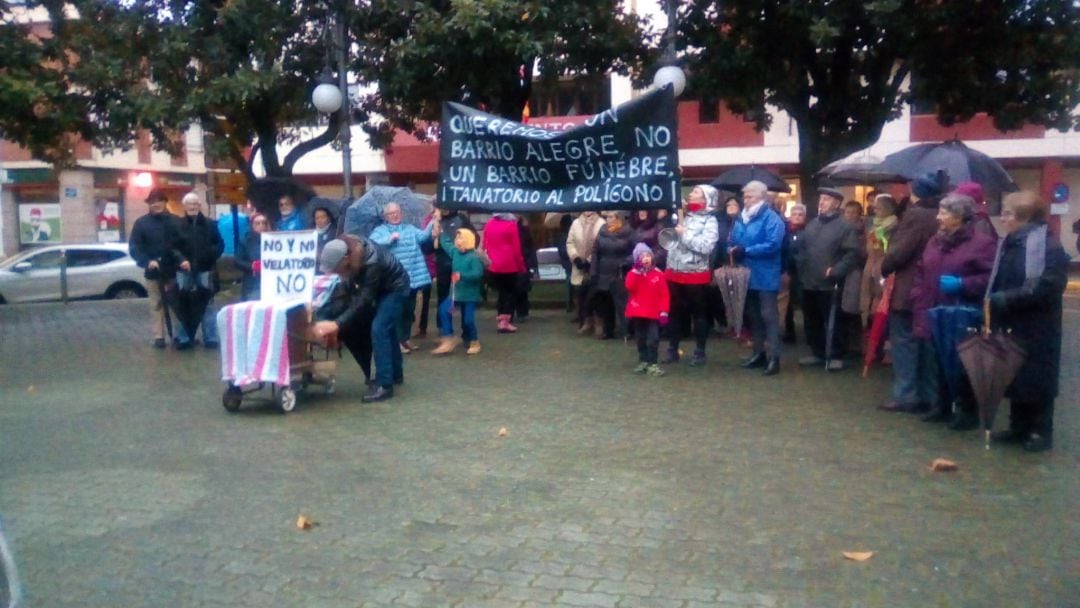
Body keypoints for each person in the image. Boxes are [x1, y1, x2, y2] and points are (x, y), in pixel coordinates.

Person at [987, 191, 1069, 452]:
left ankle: (1040, 431)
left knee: (1036, 377)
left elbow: (1048, 286)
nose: (1003, 218)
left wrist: (1006, 299)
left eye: (1008, 213)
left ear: (1024, 218)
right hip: (1011, 320)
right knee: (1014, 374)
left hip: (1037, 325)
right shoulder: (1010, 242)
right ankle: (1018, 426)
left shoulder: (1048, 246)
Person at [910, 194, 997, 430]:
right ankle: (943, 406)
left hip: (963, 312)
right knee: (938, 359)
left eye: (943, 213)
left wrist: (963, 284)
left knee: (963, 363)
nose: (938, 217)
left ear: (958, 217)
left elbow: (990, 278)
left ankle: (967, 411)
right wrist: (917, 294)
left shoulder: (982, 243)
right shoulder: (934, 241)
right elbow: (921, 269)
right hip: (934, 308)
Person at [878, 173, 948, 414]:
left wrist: (884, 266)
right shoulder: (940, 213)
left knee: (905, 343)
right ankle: (929, 395)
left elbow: (899, 252)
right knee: (926, 344)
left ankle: (906, 395)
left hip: (909, 288)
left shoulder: (916, 215)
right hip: (932, 287)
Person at [312, 235, 411, 403]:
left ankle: (384, 385)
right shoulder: (351, 253)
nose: (334, 272)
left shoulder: (372, 263)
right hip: (382, 287)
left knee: (379, 329)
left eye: (336, 268)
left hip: (395, 288)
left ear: (345, 259)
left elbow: (363, 300)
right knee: (387, 328)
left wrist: (337, 323)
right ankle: (395, 374)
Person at [794, 188, 860, 371]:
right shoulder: (812, 224)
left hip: (830, 283)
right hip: (808, 280)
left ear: (837, 204)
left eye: (827, 199)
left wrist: (837, 270)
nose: (821, 202)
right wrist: (801, 264)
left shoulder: (845, 227)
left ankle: (836, 355)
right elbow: (802, 248)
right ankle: (818, 352)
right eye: (821, 198)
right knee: (811, 319)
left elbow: (852, 253)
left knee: (834, 320)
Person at [729, 180, 785, 376]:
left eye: (750, 196)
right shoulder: (741, 219)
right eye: (745, 196)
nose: (746, 200)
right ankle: (759, 353)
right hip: (746, 274)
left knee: (769, 316)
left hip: (765, 274)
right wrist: (733, 250)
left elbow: (773, 245)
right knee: (753, 316)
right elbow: (732, 240)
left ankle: (774, 357)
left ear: (761, 197)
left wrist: (747, 251)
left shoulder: (772, 218)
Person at [663, 185, 719, 366]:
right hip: (674, 271)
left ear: (705, 200)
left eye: (696, 192)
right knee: (674, 313)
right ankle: (672, 349)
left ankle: (700, 351)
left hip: (695, 274)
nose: (691, 194)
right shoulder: (683, 216)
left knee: (699, 314)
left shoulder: (710, 221)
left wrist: (684, 235)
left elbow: (707, 247)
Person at [370, 202, 434, 353]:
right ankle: (397, 341)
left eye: (397, 212)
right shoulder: (380, 230)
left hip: (413, 277)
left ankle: (405, 339)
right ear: (385, 216)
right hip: (395, 280)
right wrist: (389, 238)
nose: (395, 215)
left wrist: (432, 223)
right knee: (397, 311)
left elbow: (423, 237)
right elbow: (372, 243)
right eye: (391, 213)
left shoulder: (409, 228)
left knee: (409, 310)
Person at [173, 191, 225, 349]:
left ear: (199, 205)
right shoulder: (178, 225)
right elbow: (172, 247)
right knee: (182, 305)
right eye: (190, 204)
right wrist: (181, 260)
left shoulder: (210, 224)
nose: (193, 206)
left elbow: (219, 244)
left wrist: (209, 256)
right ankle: (184, 338)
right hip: (184, 271)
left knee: (207, 304)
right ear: (184, 206)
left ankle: (210, 338)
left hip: (205, 269)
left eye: (195, 203)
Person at [431, 228, 485, 356]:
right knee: (443, 310)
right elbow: (447, 245)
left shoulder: (474, 257)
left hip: (469, 295)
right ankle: (448, 337)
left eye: (460, 238)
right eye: (456, 238)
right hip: (455, 292)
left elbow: (477, 274)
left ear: (467, 241)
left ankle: (474, 341)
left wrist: (462, 275)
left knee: (468, 320)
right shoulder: (455, 252)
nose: (457, 241)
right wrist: (442, 233)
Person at [624, 243, 670, 377]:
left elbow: (664, 294)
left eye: (648, 255)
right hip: (638, 312)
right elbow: (630, 287)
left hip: (654, 313)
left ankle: (653, 363)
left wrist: (664, 312)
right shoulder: (633, 274)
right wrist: (637, 272)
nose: (646, 258)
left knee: (653, 338)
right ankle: (643, 360)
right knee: (640, 338)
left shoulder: (658, 274)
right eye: (642, 256)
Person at [589, 211, 635, 339]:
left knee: (622, 304)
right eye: (606, 217)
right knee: (606, 303)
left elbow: (636, 251)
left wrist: (626, 262)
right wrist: (593, 271)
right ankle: (608, 330)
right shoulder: (602, 231)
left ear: (618, 218)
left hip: (620, 273)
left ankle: (627, 330)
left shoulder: (628, 232)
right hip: (603, 272)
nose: (607, 219)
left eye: (610, 217)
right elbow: (595, 252)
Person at [432, 205, 475, 337]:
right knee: (444, 296)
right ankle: (444, 331)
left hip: (460, 263)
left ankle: (467, 332)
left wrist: (467, 252)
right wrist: (434, 230)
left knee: (463, 296)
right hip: (443, 264)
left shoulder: (461, 218)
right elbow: (431, 244)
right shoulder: (435, 220)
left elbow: (473, 237)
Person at [482, 213, 527, 333]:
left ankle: (501, 318)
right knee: (510, 293)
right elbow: (516, 249)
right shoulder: (511, 226)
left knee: (502, 293)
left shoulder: (489, 224)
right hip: (509, 264)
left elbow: (484, 244)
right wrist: (521, 266)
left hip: (493, 264)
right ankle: (505, 321)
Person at [859, 194, 899, 323]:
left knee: (880, 298)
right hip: (871, 265)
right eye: (874, 208)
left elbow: (887, 249)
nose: (875, 210)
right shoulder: (874, 225)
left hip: (883, 267)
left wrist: (877, 241)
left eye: (879, 208)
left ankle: (876, 326)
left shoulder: (894, 226)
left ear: (888, 209)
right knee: (867, 296)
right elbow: (872, 247)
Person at [566, 211, 603, 330]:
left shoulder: (601, 223)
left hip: (595, 265)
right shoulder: (575, 223)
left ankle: (599, 323)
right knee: (580, 294)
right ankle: (585, 321)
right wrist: (575, 258)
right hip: (578, 266)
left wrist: (589, 261)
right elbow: (570, 243)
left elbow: (601, 244)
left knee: (595, 295)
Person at [779, 203, 807, 344]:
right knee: (787, 304)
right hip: (787, 271)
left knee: (804, 303)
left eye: (800, 215)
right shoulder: (785, 231)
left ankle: (809, 334)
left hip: (801, 273)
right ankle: (789, 333)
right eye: (794, 214)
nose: (796, 217)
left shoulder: (807, 232)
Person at [234, 213, 269, 301]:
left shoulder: (274, 239)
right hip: (252, 283)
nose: (262, 226)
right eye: (258, 223)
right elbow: (237, 261)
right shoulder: (245, 240)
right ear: (252, 225)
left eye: (264, 223)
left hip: (269, 283)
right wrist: (252, 266)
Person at [515, 216, 538, 323]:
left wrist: (533, 265)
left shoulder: (524, 231)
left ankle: (522, 312)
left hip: (523, 262)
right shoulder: (521, 230)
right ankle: (516, 312)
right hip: (513, 261)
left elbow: (531, 247)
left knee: (521, 289)